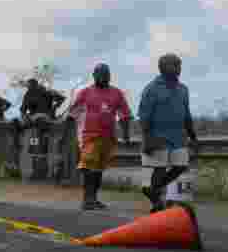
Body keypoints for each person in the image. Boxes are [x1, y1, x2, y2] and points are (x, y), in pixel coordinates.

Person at [66, 63, 131, 210]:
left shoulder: (117, 93)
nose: (104, 77)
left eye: (106, 74)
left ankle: (93, 198)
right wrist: (66, 137)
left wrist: (126, 136)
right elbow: (71, 115)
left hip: (108, 137)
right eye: (100, 74)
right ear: (94, 76)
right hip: (88, 135)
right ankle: (87, 199)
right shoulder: (85, 93)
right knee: (88, 166)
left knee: (98, 169)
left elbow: (125, 116)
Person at [139, 53, 198, 213]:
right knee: (159, 169)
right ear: (163, 67)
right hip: (157, 136)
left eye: (179, 65)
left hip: (179, 137)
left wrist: (193, 137)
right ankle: (157, 201)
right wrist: (147, 138)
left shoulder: (183, 89)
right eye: (175, 65)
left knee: (181, 166)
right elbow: (144, 117)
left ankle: (153, 190)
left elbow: (187, 115)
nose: (179, 68)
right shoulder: (151, 89)